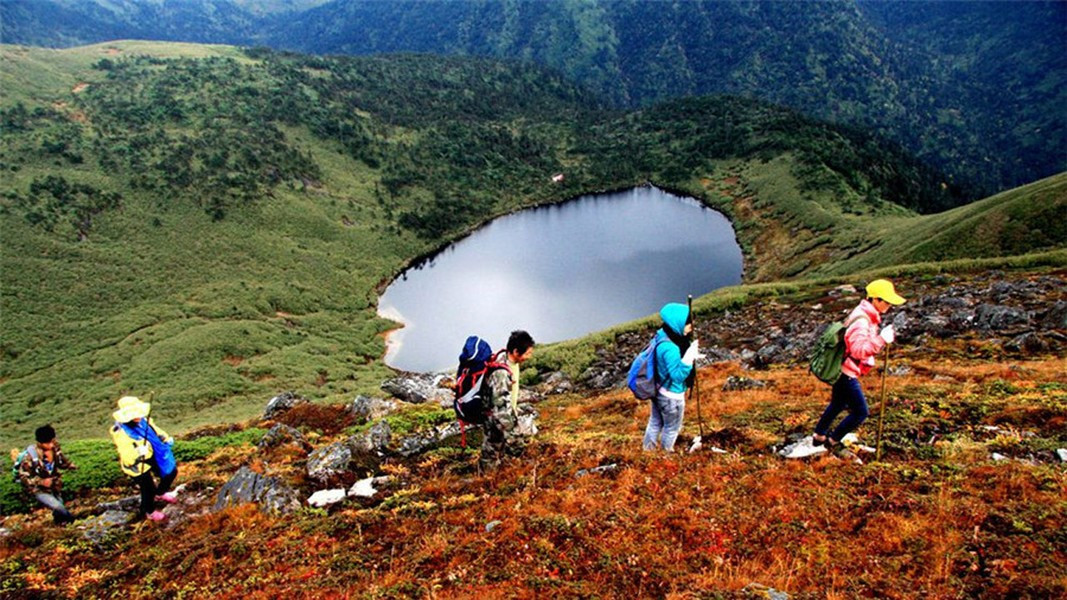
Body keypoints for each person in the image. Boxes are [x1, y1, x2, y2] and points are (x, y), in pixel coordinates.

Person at [812, 279, 906, 459]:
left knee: (838, 403)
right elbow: (858, 350)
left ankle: (819, 436)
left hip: (842, 369)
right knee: (861, 412)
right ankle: (833, 441)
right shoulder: (862, 321)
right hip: (846, 373)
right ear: (875, 299)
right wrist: (881, 340)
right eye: (886, 301)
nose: (889, 305)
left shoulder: (866, 314)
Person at [110, 396, 178, 522]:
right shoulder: (121, 432)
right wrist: (139, 452)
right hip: (137, 465)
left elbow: (155, 430)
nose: (138, 416)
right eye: (133, 414)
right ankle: (149, 511)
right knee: (148, 488)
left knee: (170, 472)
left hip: (152, 453)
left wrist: (164, 438)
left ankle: (160, 493)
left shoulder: (143, 421)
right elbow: (126, 454)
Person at [643, 302, 700, 452]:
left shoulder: (662, 335)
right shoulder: (671, 348)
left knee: (655, 422)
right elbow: (677, 375)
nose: (691, 328)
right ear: (679, 323)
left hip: (658, 389)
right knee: (671, 428)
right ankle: (666, 454)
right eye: (689, 324)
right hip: (671, 396)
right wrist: (689, 357)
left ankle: (648, 453)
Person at [481, 330, 538, 467]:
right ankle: (486, 481)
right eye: (527, 353)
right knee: (491, 453)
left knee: (499, 453)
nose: (529, 357)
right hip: (496, 418)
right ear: (516, 351)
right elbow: (499, 406)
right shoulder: (501, 373)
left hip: (505, 414)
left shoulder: (512, 362)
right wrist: (511, 431)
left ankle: (498, 477)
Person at [16, 424, 78, 525]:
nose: (51, 445)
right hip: (39, 489)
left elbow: (61, 461)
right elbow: (23, 477)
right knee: (58, 507)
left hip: (55, 485)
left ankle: (60, 528)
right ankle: (74, 522)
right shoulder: (29, 458)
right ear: (40, 443)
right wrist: (41, 482)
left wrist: (70, 465)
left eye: (52, 441)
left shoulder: (55, 448)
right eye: (48, 443)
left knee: (59, 508)